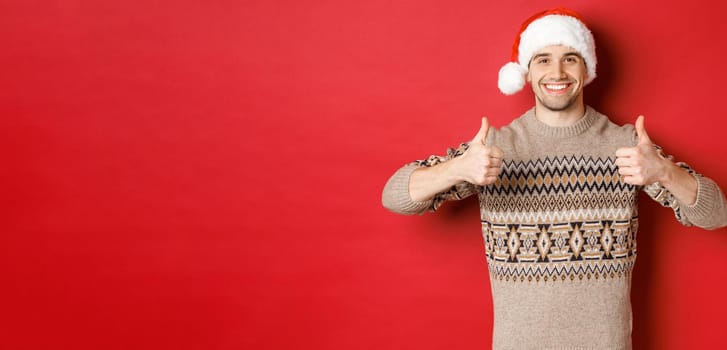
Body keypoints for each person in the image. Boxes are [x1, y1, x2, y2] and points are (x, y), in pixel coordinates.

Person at [381, 7, 727, 350]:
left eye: (570, 58)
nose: (557, 71)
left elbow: (717, 214)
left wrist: (664, 172)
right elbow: (395, 195)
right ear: (527, 73)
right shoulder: (494, 148)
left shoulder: (627, 146)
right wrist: (457, 169)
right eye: (543, 59)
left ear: (587, 68)